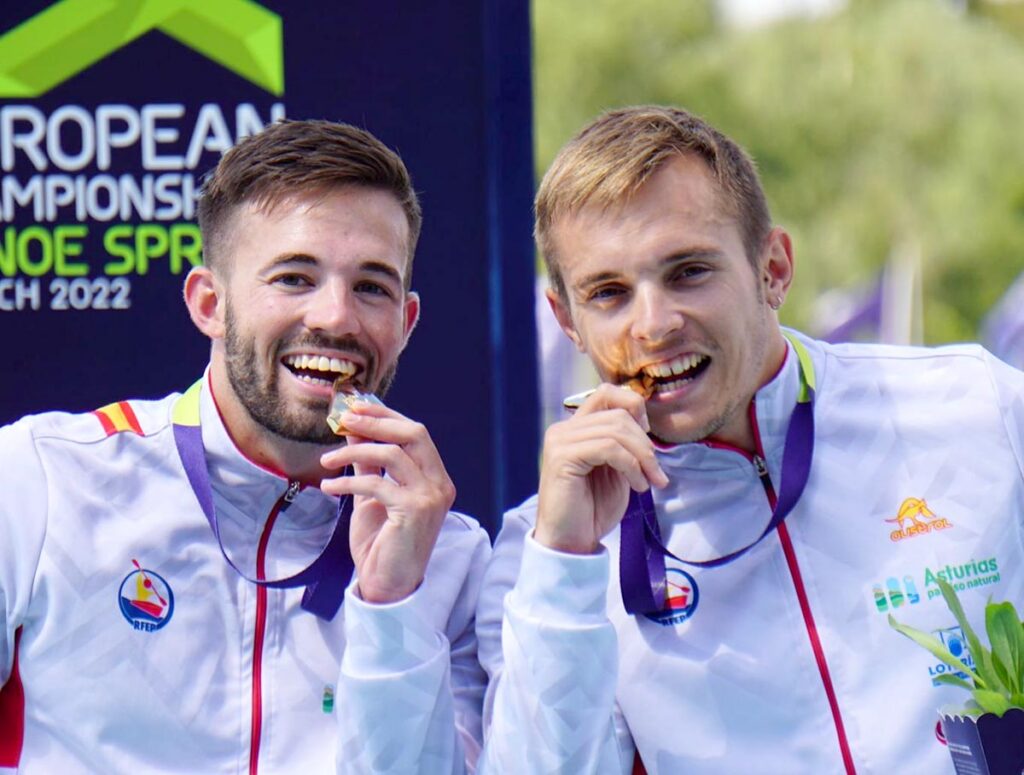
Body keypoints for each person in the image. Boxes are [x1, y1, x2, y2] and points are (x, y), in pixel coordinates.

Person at [476, 105, 1024, 774]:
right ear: (567, 320)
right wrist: (566, 561)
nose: (653, 324)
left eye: (688, 272)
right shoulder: (545, 553)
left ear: (774, 269)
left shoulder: (978, 406)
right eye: (610, 293)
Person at [0, 119, 489, 773]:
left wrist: (390, 607)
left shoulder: (449, 557)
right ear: (210, 303)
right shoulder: (43, 477)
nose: (335, 317)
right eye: (293, 278)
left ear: (405, 324)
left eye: (371, 286)